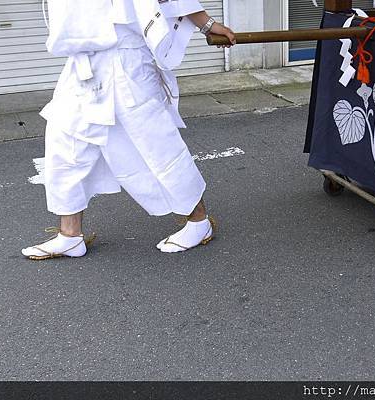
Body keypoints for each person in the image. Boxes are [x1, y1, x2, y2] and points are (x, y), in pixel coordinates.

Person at [21, 0, 236, 260]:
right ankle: (70, 235)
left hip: (126, 60)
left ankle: (198, 221)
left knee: (155, 145)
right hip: (83, 60)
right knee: (65, 141)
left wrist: (207, 25)